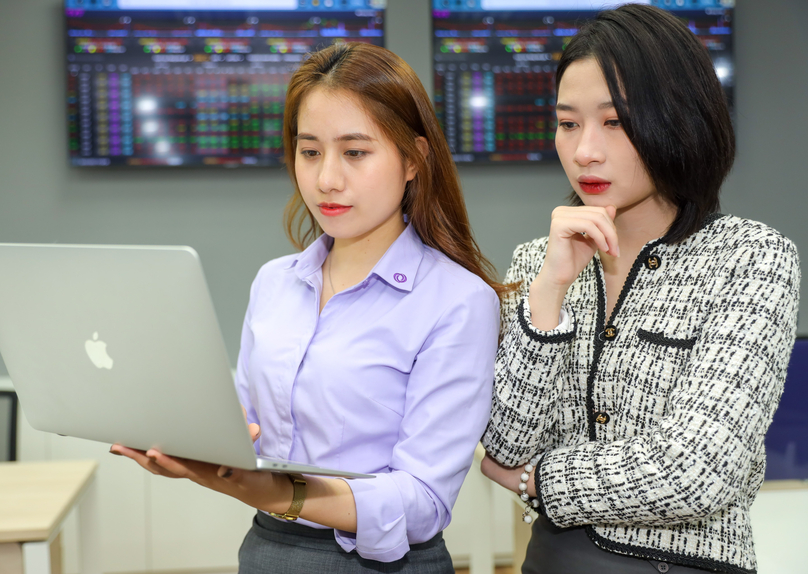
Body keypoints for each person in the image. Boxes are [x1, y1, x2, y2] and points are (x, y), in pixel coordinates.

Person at [111, 42, 502, 573]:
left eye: (355, 152)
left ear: (413, 159)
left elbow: (423, 500)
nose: (326, 180)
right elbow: (247, 428)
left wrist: (281, 495)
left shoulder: (458, 301)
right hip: (267, 550)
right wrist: (193, 452)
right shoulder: (275, 282)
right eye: (310, 151)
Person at [480, 5, 800, 574]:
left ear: (680, 119)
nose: (584, 152)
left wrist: (539, 480)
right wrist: (550, 292)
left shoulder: (750, 258)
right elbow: (502, 447)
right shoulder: (537, 262)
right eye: (568, 123)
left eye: (615, 122)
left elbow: (697, 471)